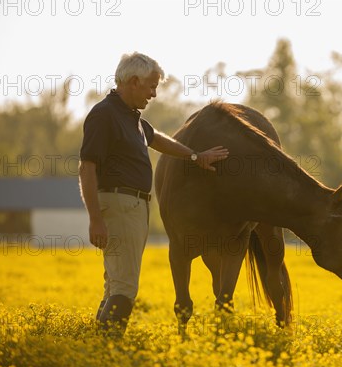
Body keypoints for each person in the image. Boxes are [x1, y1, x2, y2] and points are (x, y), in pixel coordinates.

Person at [78, 52, 229, 338]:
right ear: (133, 81)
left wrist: (195, 155)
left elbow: (157, 138)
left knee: (114, 283)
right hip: (120, 205)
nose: (154, 94)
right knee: (124, 288)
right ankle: (108, 347)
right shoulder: (104, 115)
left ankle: (96, 344)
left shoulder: (130, 117)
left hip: (132, 206)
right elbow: (87, 168)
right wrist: (95, 219)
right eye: (151, 86)